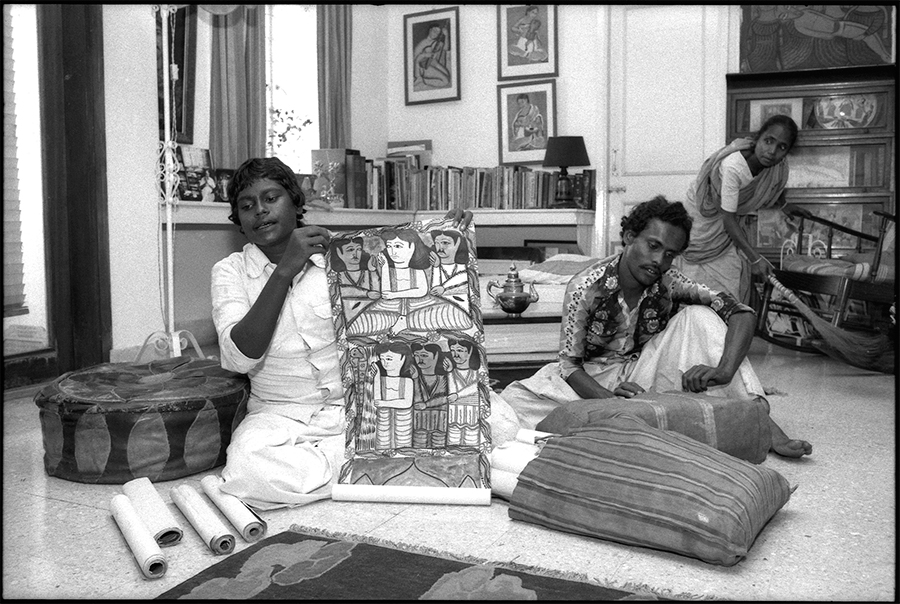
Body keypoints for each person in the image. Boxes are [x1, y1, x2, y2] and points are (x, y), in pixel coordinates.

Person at [210, 156, 472, 510]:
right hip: (279, 416)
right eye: (247, 205)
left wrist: (445, 236)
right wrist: (284, 270)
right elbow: (239, 357)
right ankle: (380, 464)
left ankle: (354, 463)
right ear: (238, 220)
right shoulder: (230, 271)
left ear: (296, 203)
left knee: (490, 419)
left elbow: (413, 301)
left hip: (355, 407)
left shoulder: (345, 257)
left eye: (271, 198)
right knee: (246, 469)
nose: (259, 210)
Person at [499, 195, 812, 458]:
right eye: (652, 245)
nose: (659, 261)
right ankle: (645, 419)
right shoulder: (586, 287)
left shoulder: (670, 283)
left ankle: (761, 423)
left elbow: (741, 312)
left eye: (670, 254)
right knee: (514, 405)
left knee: (699, 317)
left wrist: (725, 370)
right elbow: (570, 367)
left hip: (641, 375)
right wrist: (610, 400)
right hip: (588, 381)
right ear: (629, 237)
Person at [672, 114, 799, 304]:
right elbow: (729, 219)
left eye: (782, 147)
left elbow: (772, 184)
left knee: (730, 275)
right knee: (699, 276)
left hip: (728, 222)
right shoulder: (734, 167)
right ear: (758, 138)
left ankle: (726, 320)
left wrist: (784, 205)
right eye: (768, 141)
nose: (772, 151)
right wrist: (755, 259)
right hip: (704, 218)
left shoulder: (777, 165)